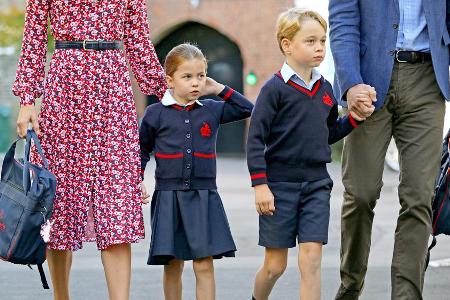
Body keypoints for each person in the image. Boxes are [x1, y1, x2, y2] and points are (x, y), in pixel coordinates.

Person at [13, 0, 167, 299]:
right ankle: (61, 297)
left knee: (116, 200)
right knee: (58, 203)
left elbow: (138, 41)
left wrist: (168, 95)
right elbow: (33, 36)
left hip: (112, 87)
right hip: (63, 87)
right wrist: (27, 99)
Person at [246, 8, 370, 300]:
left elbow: (327, 135)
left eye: (323, 41)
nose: (319, 47)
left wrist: (353, 119)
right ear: (287, 44)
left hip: (316, 184)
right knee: (275, 265)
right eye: (311, 41)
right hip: (279, 186)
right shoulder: (273, 89)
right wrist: (260, 185)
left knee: (311, 259)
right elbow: (255, 140)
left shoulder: (326, 89)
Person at [328, 0, 450, 299]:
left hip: (428, 80)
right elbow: (343, 21)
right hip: (368, 79)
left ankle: (406, 295)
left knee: (419, 197)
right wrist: (351, 83)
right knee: (360, 193)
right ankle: (350, 287)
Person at [139, 43, 254, 300]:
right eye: (187, 76)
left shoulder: (212, 109)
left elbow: (248, 109)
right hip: (168, 197)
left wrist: (219, 89)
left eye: (201, 76)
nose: (196, 83)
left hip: (204, 196)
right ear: (169, 80)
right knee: (172, 264)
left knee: (204, 263)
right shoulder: (155, 113)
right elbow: (141, 150)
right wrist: (137, 180)